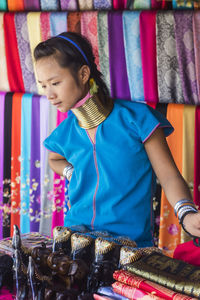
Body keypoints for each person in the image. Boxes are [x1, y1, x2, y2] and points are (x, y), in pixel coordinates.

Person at [34, 31, 200, 247]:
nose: (49, 94)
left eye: (55, 83)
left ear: (83, 74)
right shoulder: (65, 132)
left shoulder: (138, 121)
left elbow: (168, 176)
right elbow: (54, 159)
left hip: (129, 247)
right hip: (75, 242)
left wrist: (187, 214)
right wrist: (71, 172)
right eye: (43, 85)